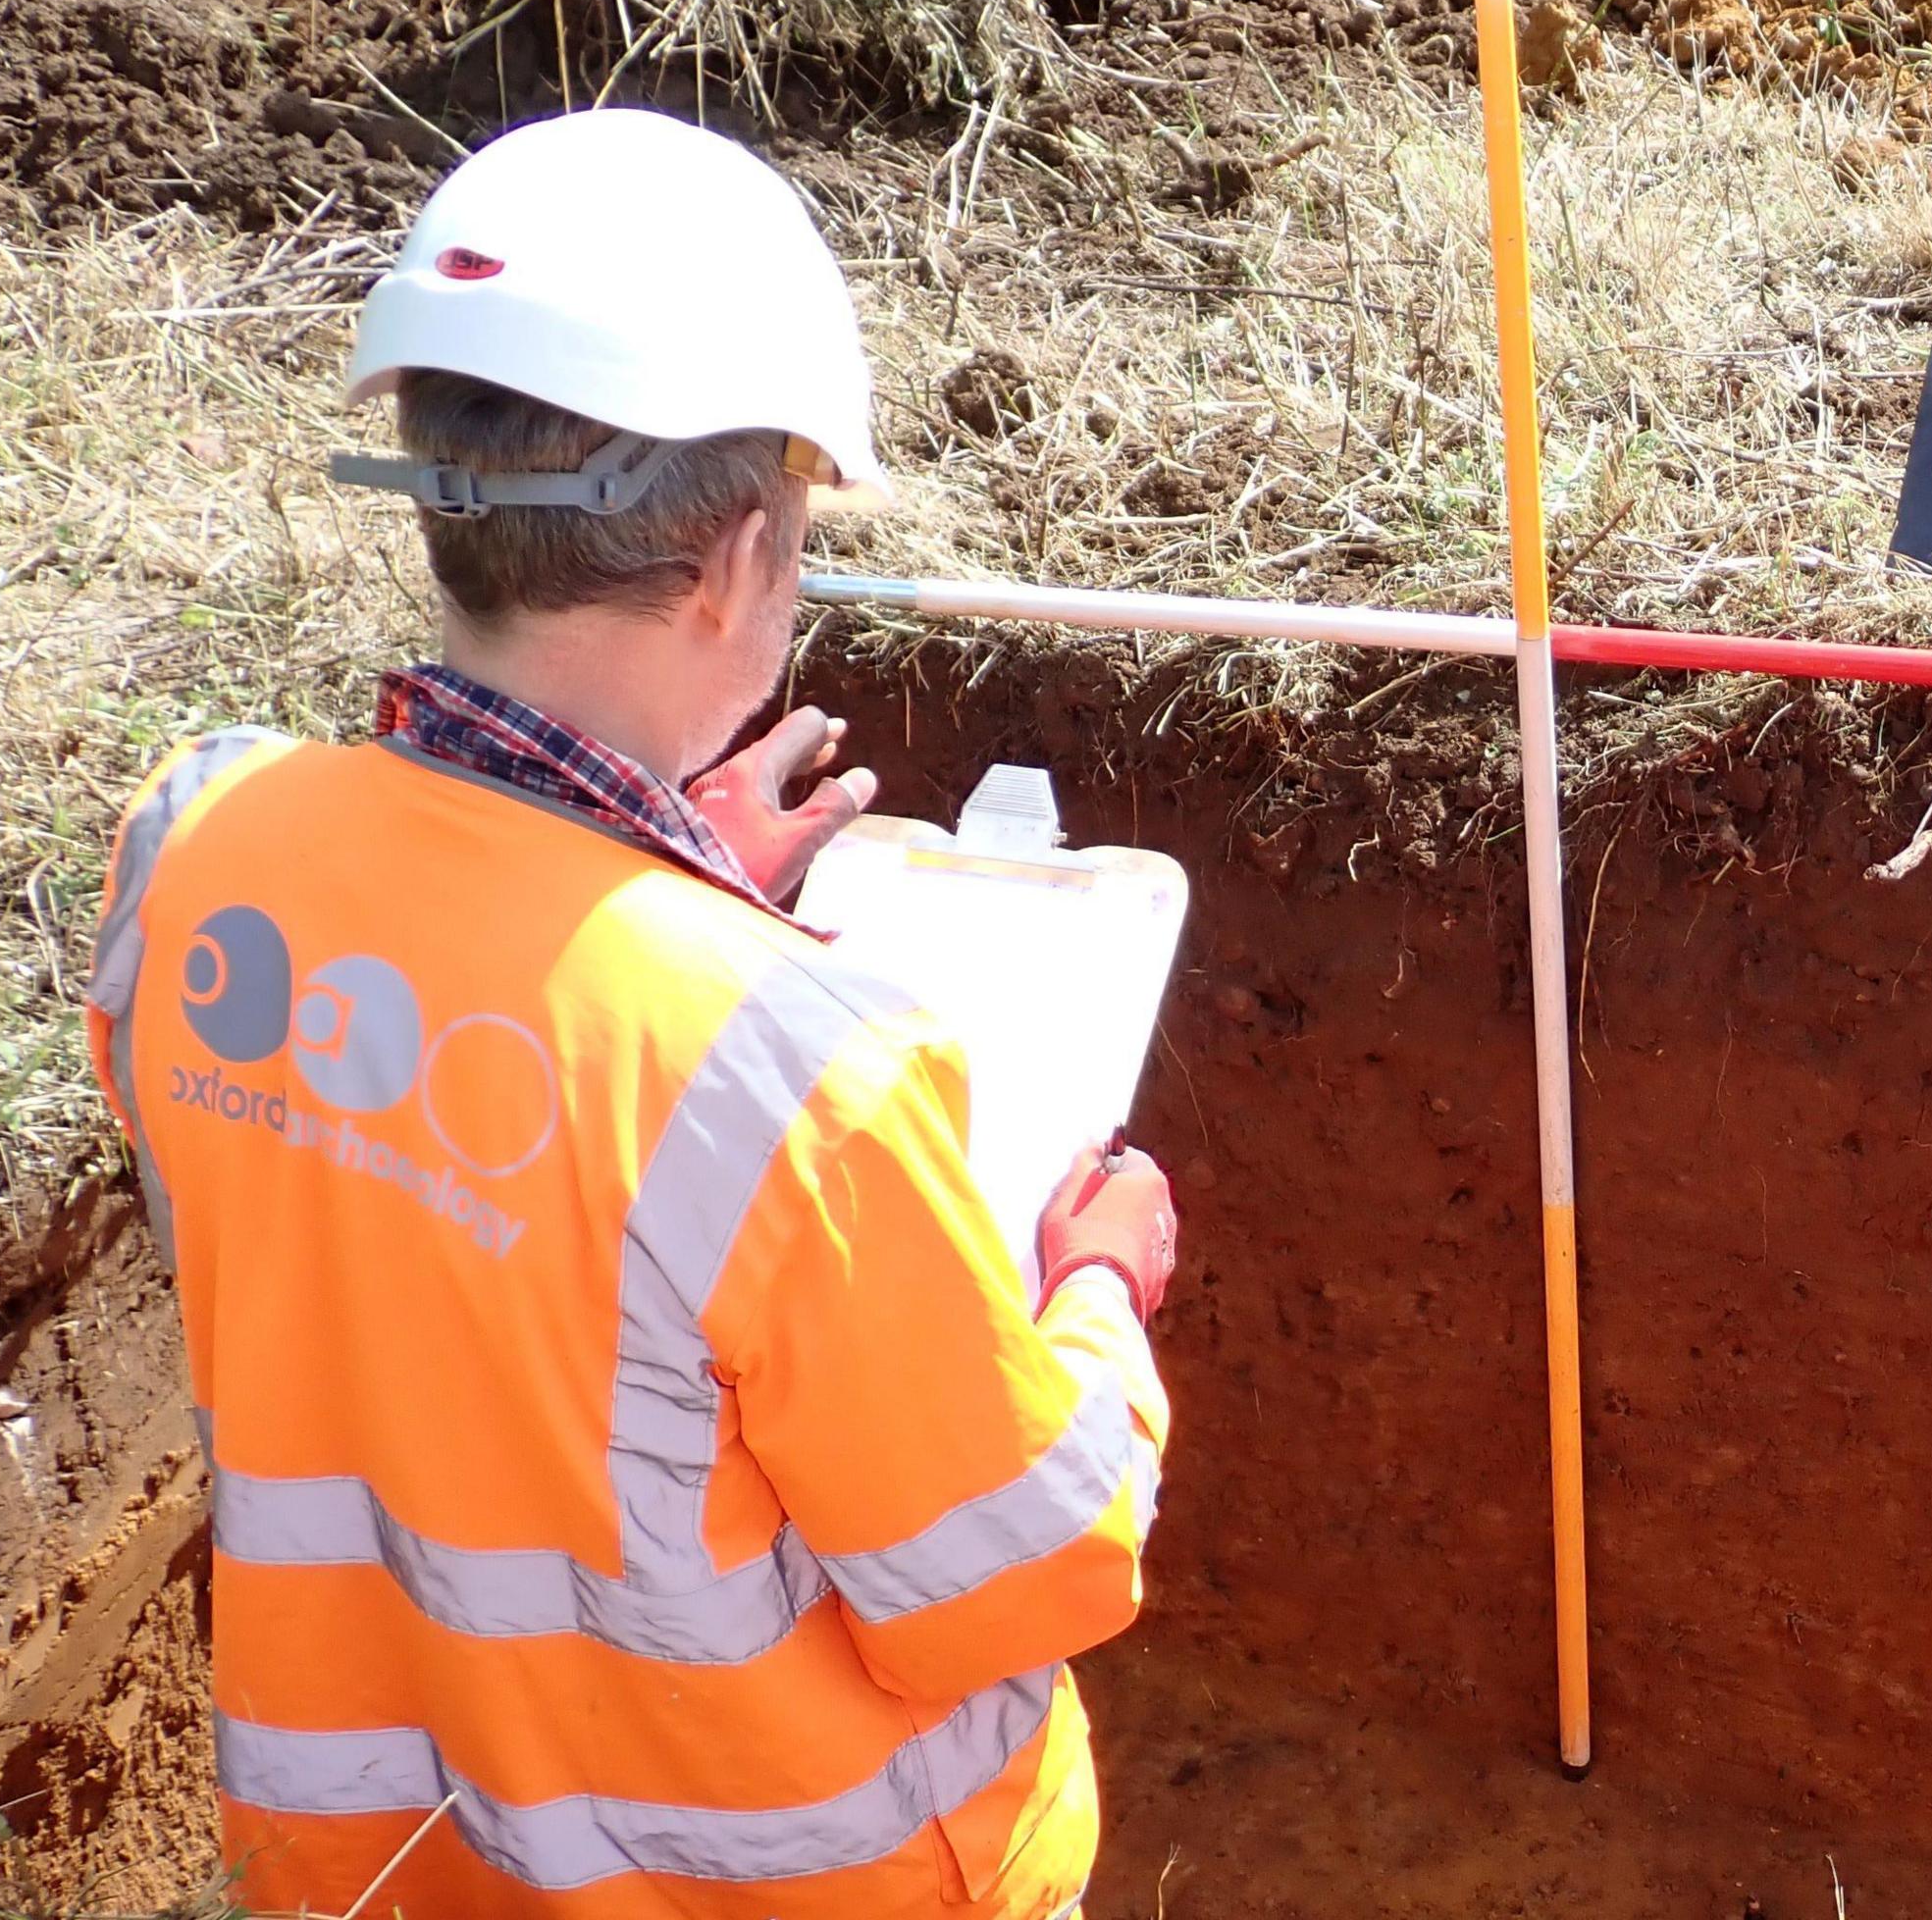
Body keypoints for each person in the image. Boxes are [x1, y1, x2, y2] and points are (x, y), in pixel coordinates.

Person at [82, 109, 1182, 1918]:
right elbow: (1021, 1573)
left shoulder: (194, 844)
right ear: (741, 556)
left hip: (374, 1869)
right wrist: (1098, 1286)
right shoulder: (786, 1065)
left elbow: (369, 1177)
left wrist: (652, 888)